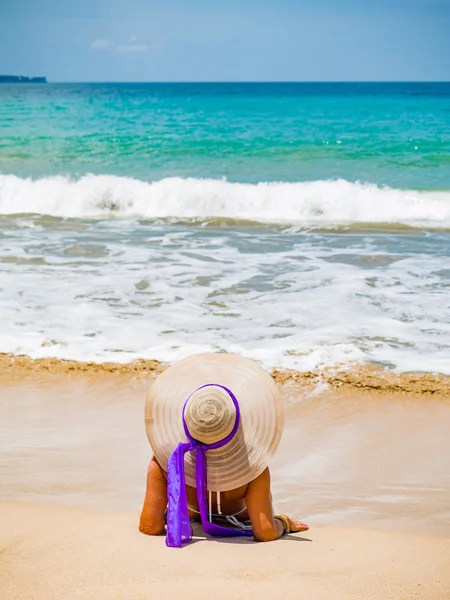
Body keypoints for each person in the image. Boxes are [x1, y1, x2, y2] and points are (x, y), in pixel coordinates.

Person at [139, 353, 308, 545]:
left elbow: (149, 526)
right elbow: (265, 532)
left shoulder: (167, 461)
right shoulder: (252, 465)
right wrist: (283, 522)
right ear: (238, 420)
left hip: (194, 517)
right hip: (238, 521)